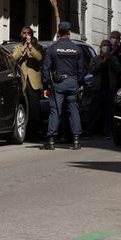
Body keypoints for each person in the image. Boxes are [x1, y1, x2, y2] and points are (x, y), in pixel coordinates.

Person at [41, 21, 86, 150]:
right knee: (73, 110)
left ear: (58, 32)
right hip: (72, 83)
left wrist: (46, 85)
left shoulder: (53, 48)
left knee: (55, 110)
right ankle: (76, 140)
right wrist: (77, 81)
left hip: (58, 84)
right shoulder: (77, 49)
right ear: (69, 32)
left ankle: (51, 141)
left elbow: (45, 68)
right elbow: (82, 69)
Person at [10, 26, 44, 138]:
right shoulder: (18, 47)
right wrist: (23, 49)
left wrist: (31, 47)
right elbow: (13, 58)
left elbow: (39, 58)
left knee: (34, 108)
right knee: (24, 106)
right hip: (22, 81)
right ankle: (26, 130)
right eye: (24, 33)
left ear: (32, 34)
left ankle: (35, 131)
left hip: (34, 82)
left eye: (28, 33)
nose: (26, 35)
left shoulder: (38, 47)